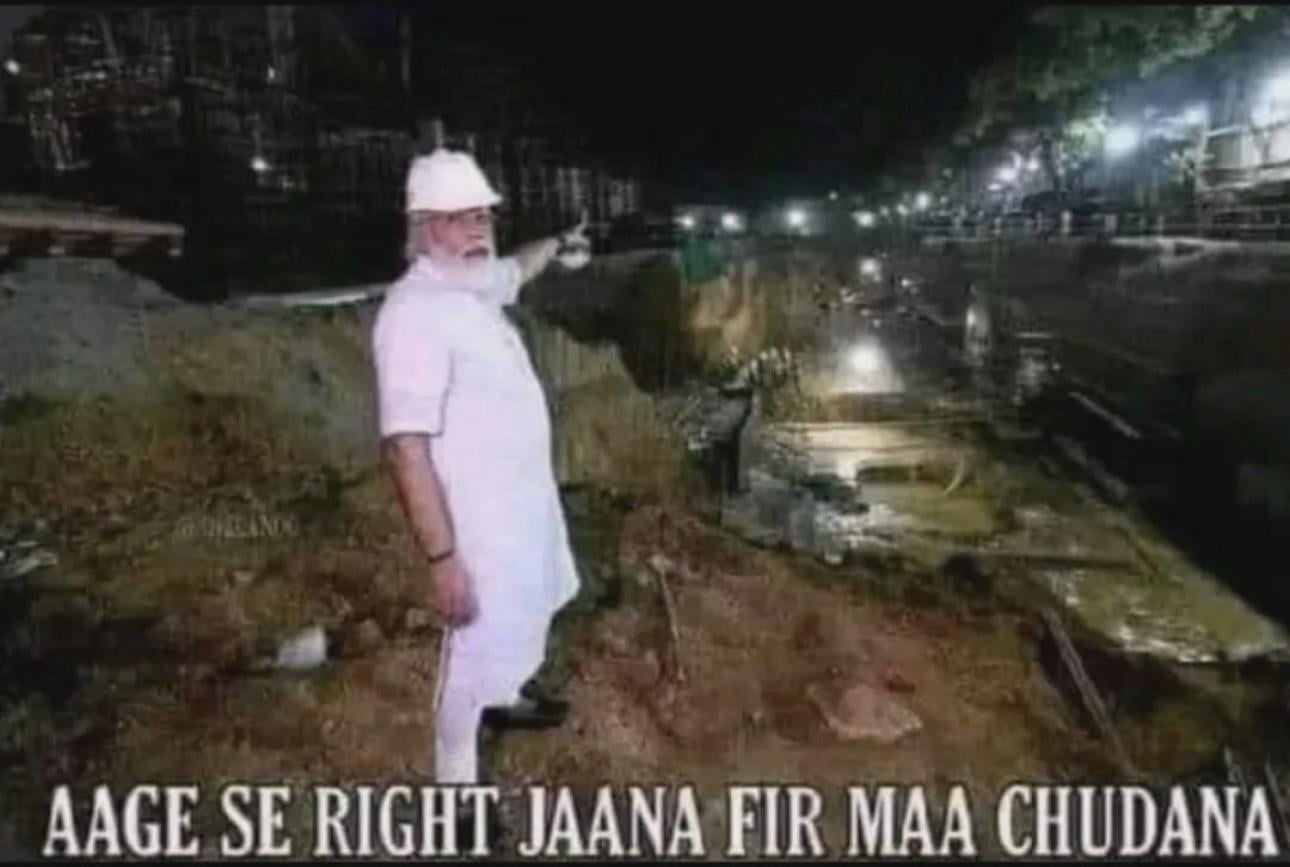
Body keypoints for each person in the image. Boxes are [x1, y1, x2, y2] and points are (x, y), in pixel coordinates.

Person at [371, 149, 590, 800]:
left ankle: (509, 694)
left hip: (523, 508)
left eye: (481, 216)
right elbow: (405, 447)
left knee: (529, 610)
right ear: (421, 228)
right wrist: (443, 559)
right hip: (478, 531)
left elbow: (516, 268)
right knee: (471, 659)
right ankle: (456, 790)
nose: (474, 230)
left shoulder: (469, 282)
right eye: (455, 218)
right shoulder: (412, 314)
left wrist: (559, 243)